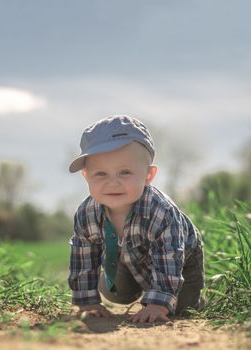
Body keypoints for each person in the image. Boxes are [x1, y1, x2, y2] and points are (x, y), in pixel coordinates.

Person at [67, 115, 204, 323]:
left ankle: (187, 297)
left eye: (125, 172)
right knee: (114, 292)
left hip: (180, 261)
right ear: (86, 176)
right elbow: (82, 255)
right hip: (128, 257)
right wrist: (87, 301)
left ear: (148, 175)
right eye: (101, 174)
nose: (113, 183)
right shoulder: (87, 214)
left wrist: (158, 304)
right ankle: (134, 285)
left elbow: (170, 253)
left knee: (180, 307)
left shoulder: (160, 211)